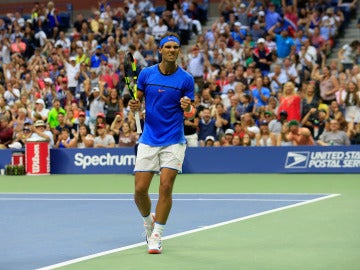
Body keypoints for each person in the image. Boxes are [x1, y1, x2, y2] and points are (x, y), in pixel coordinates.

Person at [128, 32, 195, 254]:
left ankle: (157, 235)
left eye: (176, 47)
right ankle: (148, 223)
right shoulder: (146, 74)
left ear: (178, 51)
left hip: (174, 140)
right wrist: (134, 107)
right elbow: (136, 100)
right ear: (160, 50)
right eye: (168, 47)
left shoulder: (186, 79)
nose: (172, 50)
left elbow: (191, 112)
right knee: (139, 191)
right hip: (148, 138)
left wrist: (187, 107)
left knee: (166, 186)